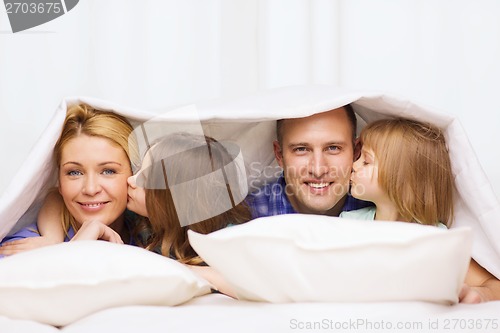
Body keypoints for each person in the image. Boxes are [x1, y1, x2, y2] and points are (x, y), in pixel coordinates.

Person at [0, 103, 140, 255]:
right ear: (59, 181)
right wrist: (69, 252)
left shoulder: (149, 238)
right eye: (74, 173)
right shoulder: (25, 249)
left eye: (108, 171)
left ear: (133, 174)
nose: (91, 189)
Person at [247, 105, 371, 219]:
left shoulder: (384, 212)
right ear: (280, 155)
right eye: (301, 149)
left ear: (356, 152)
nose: (318, 170)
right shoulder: (243, 220)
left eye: (333, 148)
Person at [340, 118, 452, 227]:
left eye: (366, 162)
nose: (353, 165)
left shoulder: (436, 236)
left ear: (402, 179)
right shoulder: (347, 223)